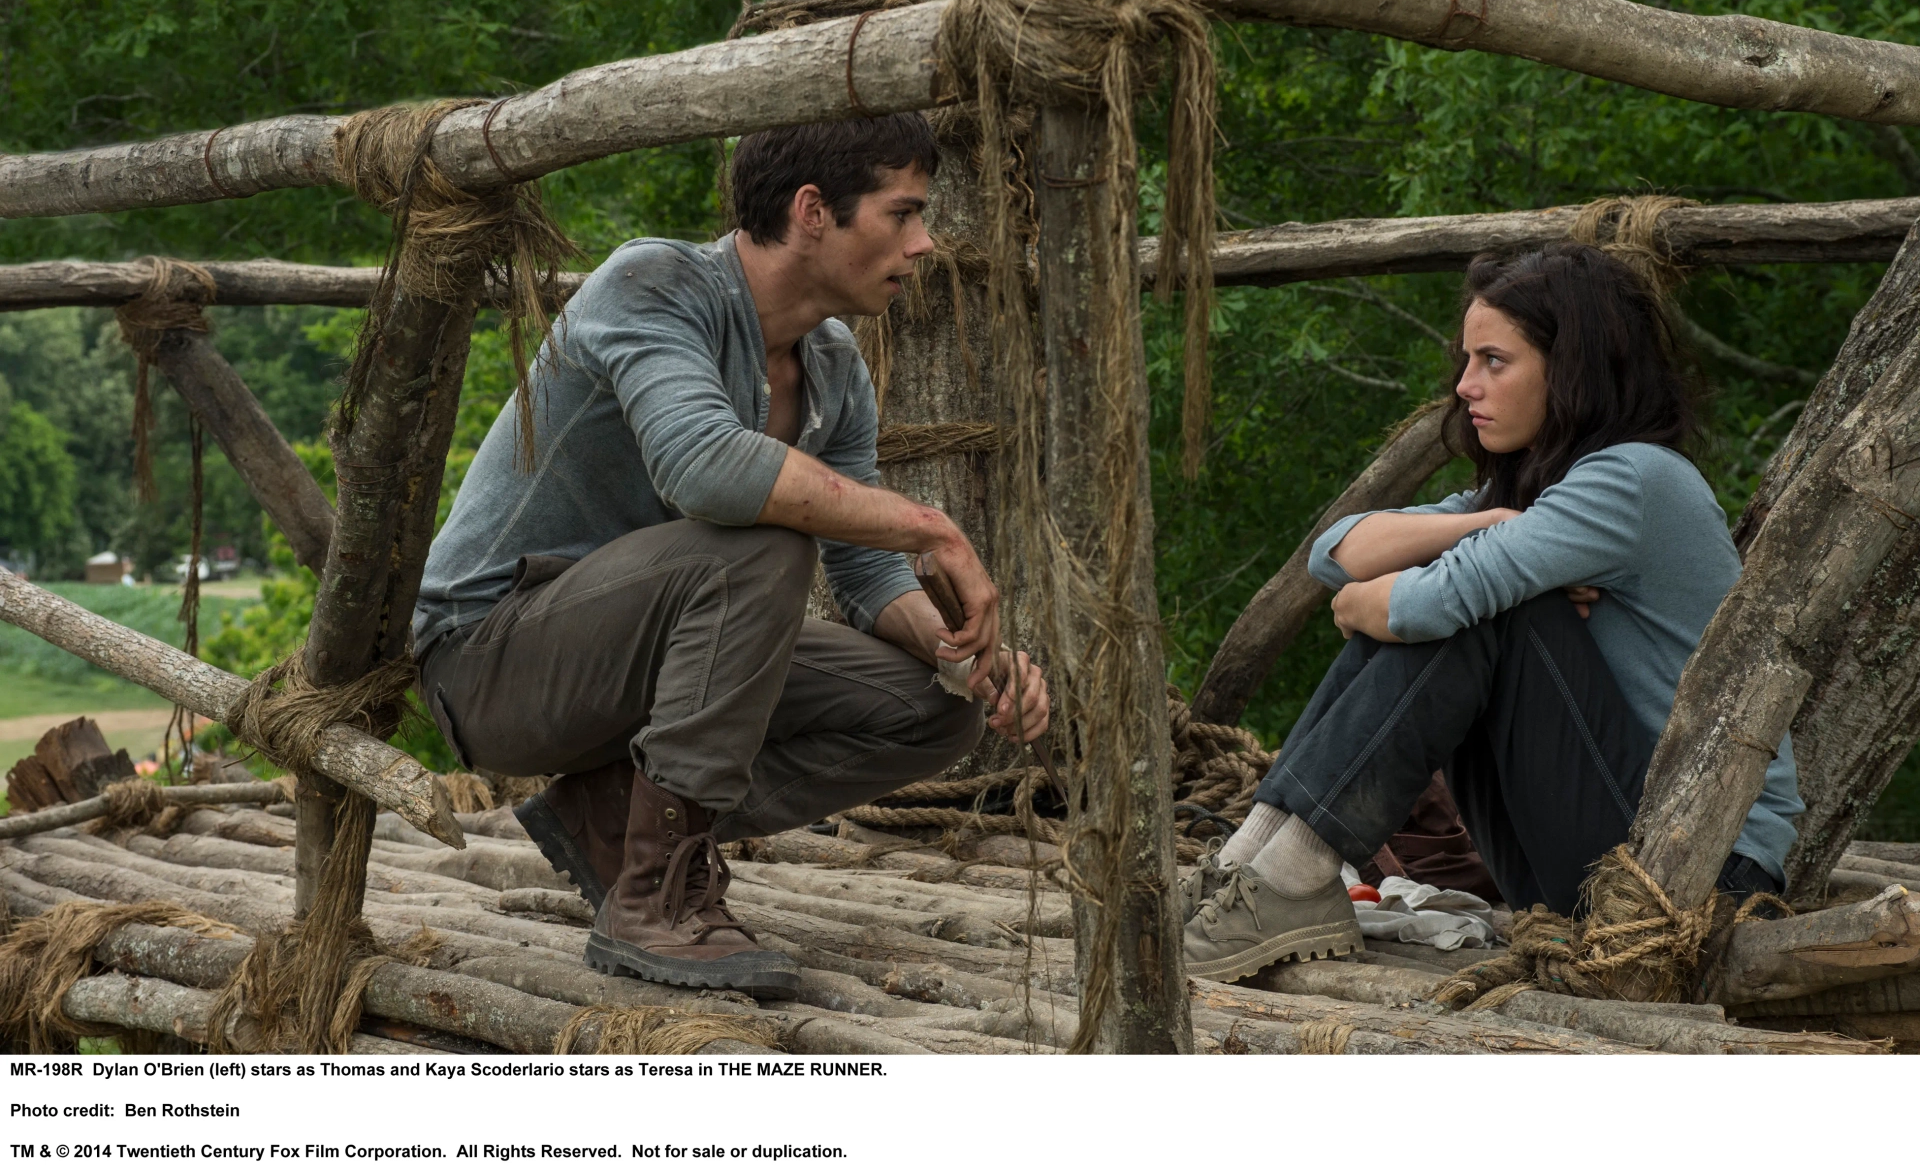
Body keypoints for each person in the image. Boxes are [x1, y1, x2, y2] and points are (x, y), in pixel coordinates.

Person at [412, 113, 1049, 1000]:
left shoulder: (834, 366)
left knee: (932, 711)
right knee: (757, 548)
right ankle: (652, 897)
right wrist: (932, 527)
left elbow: (865, 574)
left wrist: (970, 658)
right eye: (903, 214)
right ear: (814, 210)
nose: (926, 242)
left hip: (643, 661)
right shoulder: (655, 282)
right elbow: (706, 467)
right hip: (492, 661)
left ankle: (614, 820)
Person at [1181, 243, 1804, 983]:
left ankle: (1287, 875)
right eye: (1466, 360)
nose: (1464, 385)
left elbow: (1424, 602)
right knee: (1477, 585)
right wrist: (1481, 528)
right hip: (1601, 852)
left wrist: (1390, 595)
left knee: (1489, 608)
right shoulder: (1535, 492)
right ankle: (1250, 866)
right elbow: (1335, 554)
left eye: (1493, 361)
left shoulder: (1635, 478)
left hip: (1697, 875)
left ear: (1570, 367)